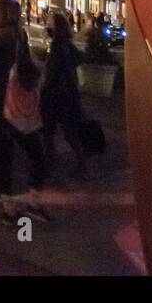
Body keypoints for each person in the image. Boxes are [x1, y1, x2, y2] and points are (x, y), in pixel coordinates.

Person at [0, 0, 50, 223]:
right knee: (37, 153)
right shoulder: (16, 37)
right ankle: (33, 201)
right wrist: (40, 73)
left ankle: (8, 208)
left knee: (4, 157)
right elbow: (25, 69)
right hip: (15, 104)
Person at [41, 12, 88, 180]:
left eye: (50, 22)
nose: (47, 24)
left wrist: (44, 89)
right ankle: (82, 166)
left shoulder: (57, 46)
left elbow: (52, 72)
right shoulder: (67, 44)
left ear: (56, 27)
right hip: (68, 94)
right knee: (69, 131)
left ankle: (51, 164)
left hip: (55, 95)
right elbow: (79, 59)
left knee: (48, 131)